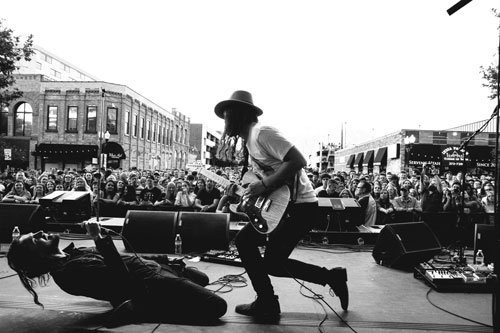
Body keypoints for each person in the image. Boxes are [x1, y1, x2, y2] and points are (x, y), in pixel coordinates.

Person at [214, 90, 348, 320]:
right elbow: (262, 188)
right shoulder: (250, 144)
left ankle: (274, 300)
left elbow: (298, 160)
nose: (225, 120)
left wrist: (264, 184)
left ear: (240, 114)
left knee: (270, 261)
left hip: (301, 208)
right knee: (250, 246)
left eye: (227, 114)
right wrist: (239, 195)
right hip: (285, 207)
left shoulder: (262, 133)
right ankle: (268, 301)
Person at [7, 221, 227, 327]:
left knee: (202, 278)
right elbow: (121, 280)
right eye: (33, 239)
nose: (38, 232)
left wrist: (166, 260)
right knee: (217, 306)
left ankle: (152, 304)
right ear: (36, 256)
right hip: (149, 283)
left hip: (151, 269)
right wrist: (99, 239)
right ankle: (144, 310)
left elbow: (126, 258)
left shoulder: (71, 253)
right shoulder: (69, 272)